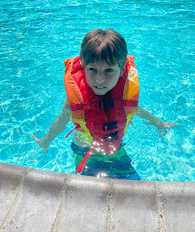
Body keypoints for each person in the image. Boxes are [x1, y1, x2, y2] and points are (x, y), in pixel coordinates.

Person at [32, 29, 177, 180]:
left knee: (133, 183)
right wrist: (46, 141)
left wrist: (159, 123)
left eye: (109, 70)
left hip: (116, 148)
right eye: (92, 70)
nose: (99, 79)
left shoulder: (125, 94)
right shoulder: (76, 99)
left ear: (121, 70)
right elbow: (61, 121)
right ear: (83, 66)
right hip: (84, 150)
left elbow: (137, 110)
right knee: (90, 189)